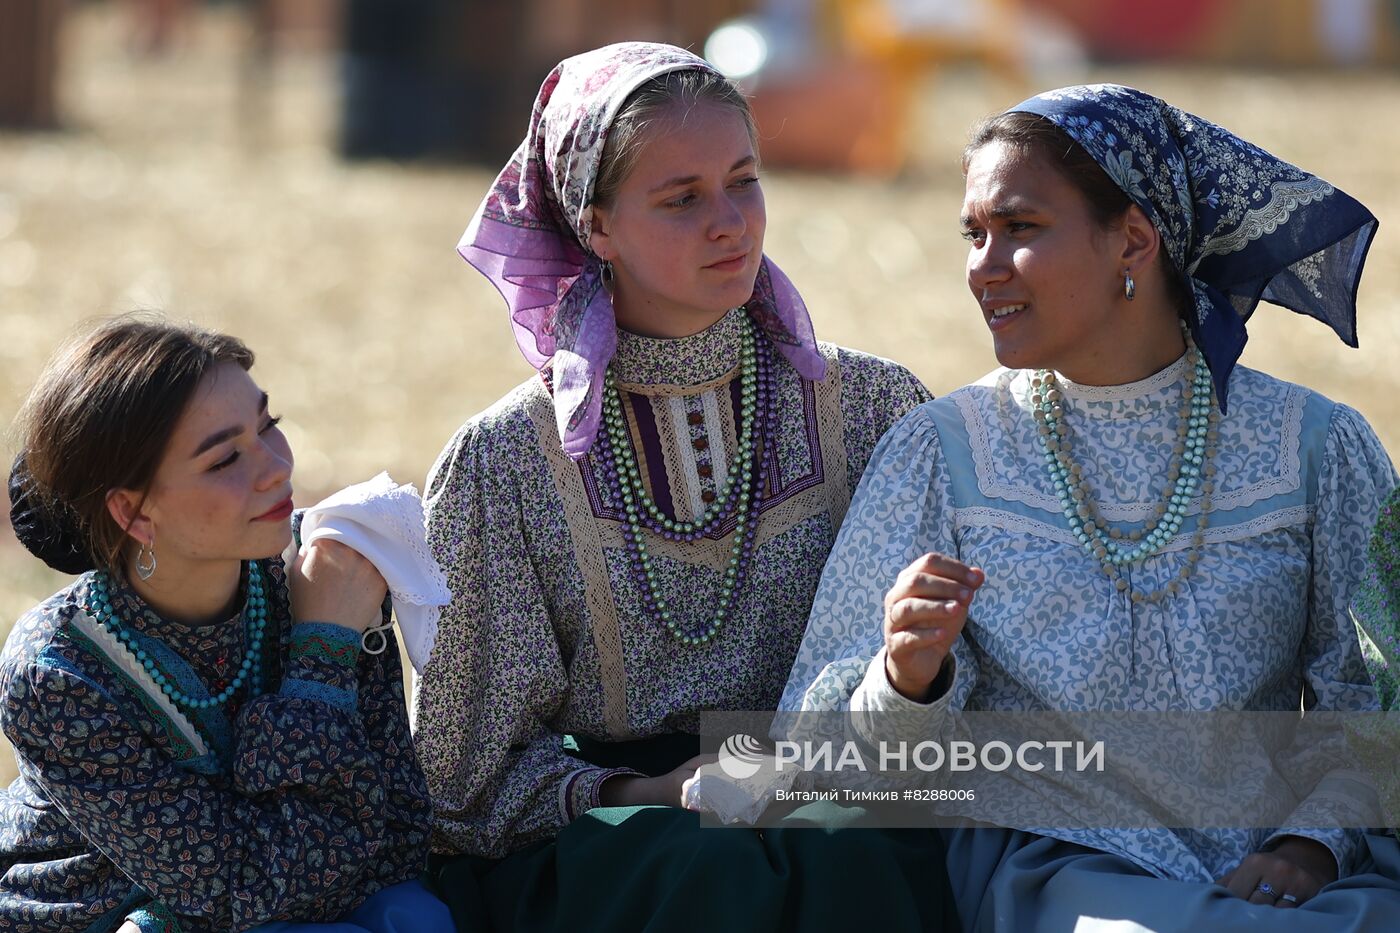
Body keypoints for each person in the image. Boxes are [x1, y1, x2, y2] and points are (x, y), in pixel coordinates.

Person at [780, 84, 1400, 931]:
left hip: (1289, 877)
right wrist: (906, 680)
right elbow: (808, 764)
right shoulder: (944, 451)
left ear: (1134, 241)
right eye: (974, 233)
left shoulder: (1317, 446)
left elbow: (1378, 704)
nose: (982, 264)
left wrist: (1313, 843)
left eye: (1021, 228)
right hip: (1056, 871)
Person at [414, 41, 958, 933]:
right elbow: (465, 779)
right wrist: (655, 787)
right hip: (620, 835)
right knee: (708, 866)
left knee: (852, 852)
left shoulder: (870, 406)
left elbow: (945, 689)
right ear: (594, 226)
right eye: (681, 199)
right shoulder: (505, 461)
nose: (730, 222)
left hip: (839, 787)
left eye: (744, 182)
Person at [0, 316, 451, 933]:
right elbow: (241, 889)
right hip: (97, 918)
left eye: (268, 426)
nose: (275, 467)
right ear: (132, 511)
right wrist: (321, 655)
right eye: (223, 460)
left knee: (414, 915)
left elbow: (398, 835)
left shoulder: (327, 572)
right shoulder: (58, 673)